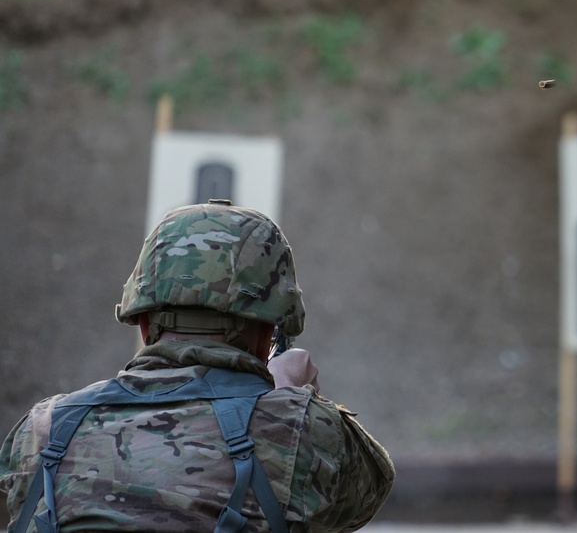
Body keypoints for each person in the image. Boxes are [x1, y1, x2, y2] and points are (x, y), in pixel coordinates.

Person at [0, 200, 395, 532]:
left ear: (142, 322)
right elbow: (366, 494)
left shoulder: (42, 431)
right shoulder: (301, 430)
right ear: (268, 331)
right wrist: (291, 397)